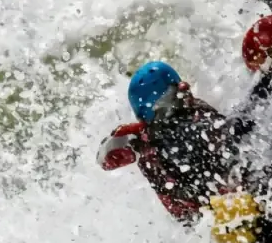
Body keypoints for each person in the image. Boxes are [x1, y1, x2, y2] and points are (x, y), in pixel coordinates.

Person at [97, 61, 237, 223]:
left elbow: (103, 161)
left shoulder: (146, 142)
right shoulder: (188, 125)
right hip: (220, 214)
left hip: (205, 222)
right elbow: (236, 130)